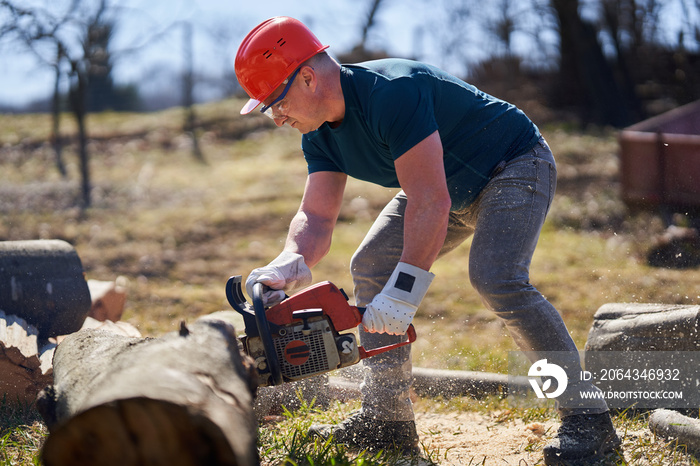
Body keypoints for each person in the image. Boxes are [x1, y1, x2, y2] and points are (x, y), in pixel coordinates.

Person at [235, 16, 621, 464]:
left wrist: (404, 292)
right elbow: (317, 214)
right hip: (444, 189)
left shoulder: (391, 92)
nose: (276, 117)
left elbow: (430, 202)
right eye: (267, 108)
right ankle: (386, 423)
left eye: (275, 102)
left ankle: (588, 419)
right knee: (372, 265)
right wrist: (292, 257)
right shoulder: (317, 131)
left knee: (497, 279)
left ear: (306, 76)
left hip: (513, 164)